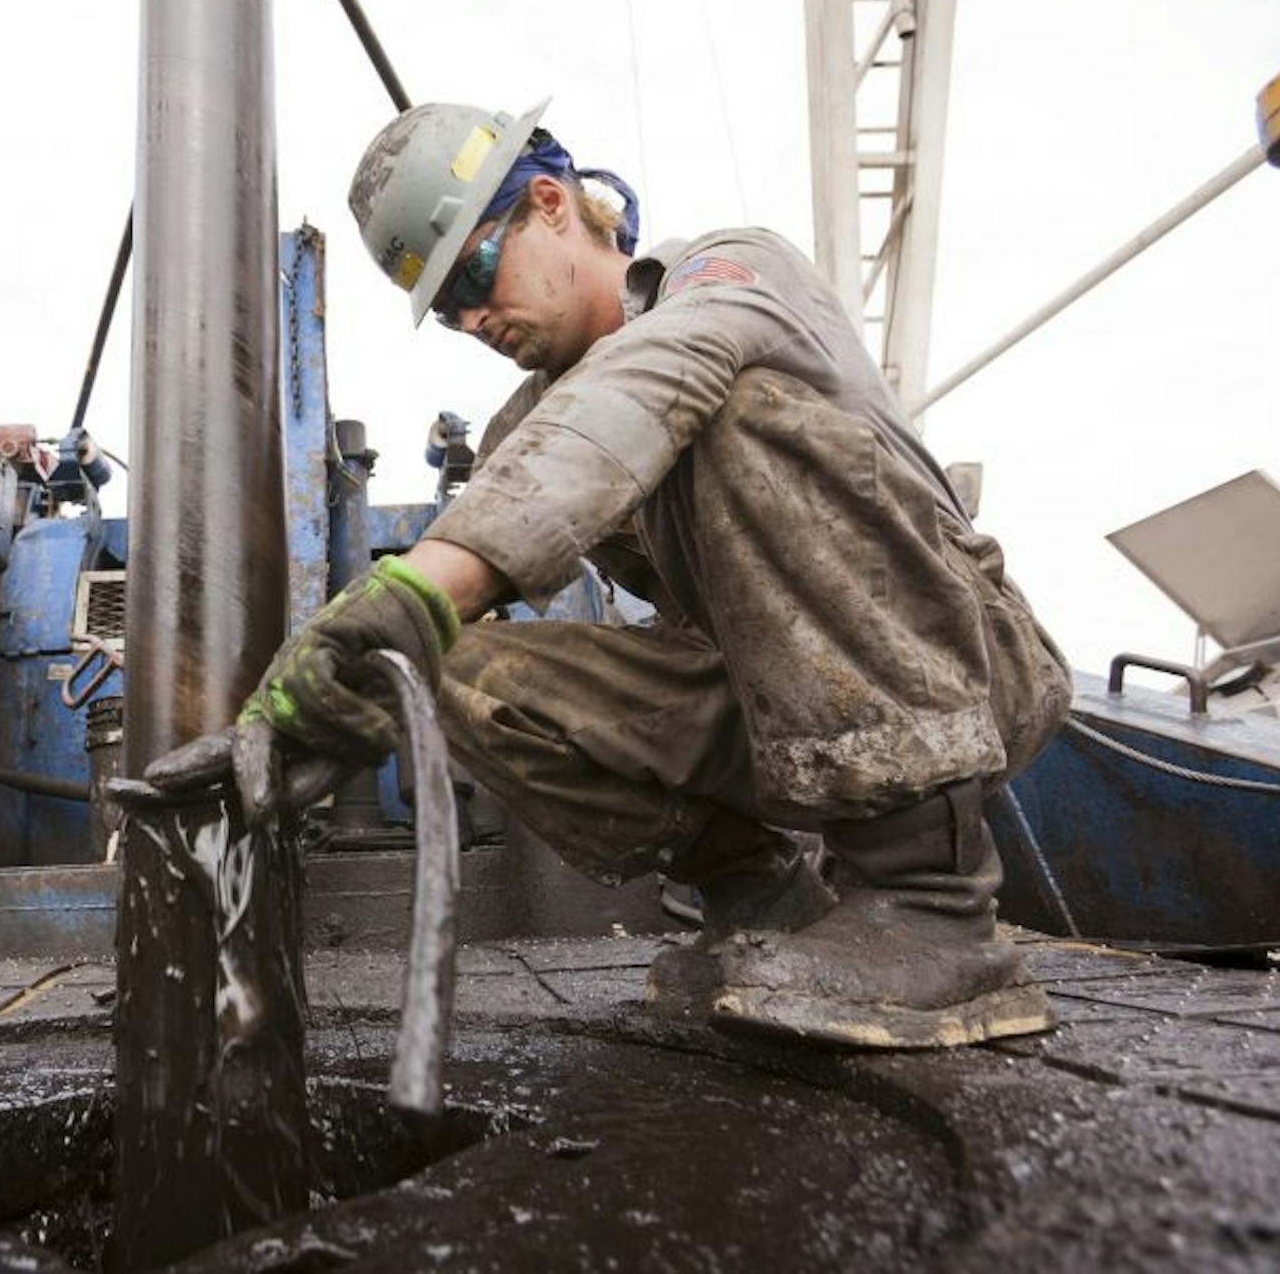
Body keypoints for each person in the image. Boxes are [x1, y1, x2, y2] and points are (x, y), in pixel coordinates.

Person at [158, 99, 1073, 1050]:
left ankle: (930, 909)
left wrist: (423, 589)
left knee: (744, 409)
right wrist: (307, 711)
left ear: (551, 204)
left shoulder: (732, 277)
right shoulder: (534, 425)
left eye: (474, 270)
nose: (474, 317)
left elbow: (645, 384)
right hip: (769, 704)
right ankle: (769, 909)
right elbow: (488, 537)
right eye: (449, 311)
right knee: (453, 667)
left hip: (961, 667)